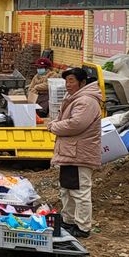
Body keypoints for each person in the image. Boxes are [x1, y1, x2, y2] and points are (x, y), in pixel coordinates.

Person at [45, 67, 103, 239]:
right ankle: (69, 220)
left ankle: (83, 226)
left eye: (71, 81)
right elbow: (65, 119)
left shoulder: (86, 101)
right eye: (66, 81)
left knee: (80, 191)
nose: (68, 85)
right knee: (67, 189)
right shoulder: (74, 98)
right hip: (70, 152)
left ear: (82, 82)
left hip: (80, 153)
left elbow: (76, 124)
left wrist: (53, 127)